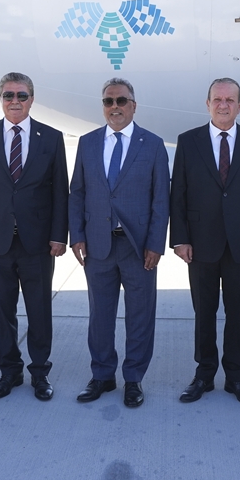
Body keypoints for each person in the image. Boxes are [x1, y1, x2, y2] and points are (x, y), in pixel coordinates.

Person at [171, 77, 240, 407]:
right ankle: (204, 374)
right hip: (200, 244)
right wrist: (180, 239)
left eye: (230, 100)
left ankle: (235, 376)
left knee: (237, 313)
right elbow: (178, 194)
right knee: (204, 312)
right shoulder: (189, 142)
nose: (223, 105)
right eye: (217, 99)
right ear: (208, 104)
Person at [0, 72, 69, 401]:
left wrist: (59, 235)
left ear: (32, 99)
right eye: (8, 95)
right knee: (3, 310)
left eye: (21, 95)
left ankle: (40, 373)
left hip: (38, 241)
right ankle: (9, 372)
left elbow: (60, 192)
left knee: (39, 309)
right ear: (0, 99)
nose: (15, 101)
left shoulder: (51, 137)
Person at [68, 78, 169, 408]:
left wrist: (156, 243)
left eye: (121, 101)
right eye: (108, 101)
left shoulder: (152, 145)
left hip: (137, 247)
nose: (115, 107)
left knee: (140, 315)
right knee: (100, 315)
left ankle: (134, 378)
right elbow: (77, 193)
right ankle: (102, 375)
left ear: (133, 106)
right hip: (97, 245)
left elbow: (161, 199)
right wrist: (77, 236)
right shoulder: (88, 143)